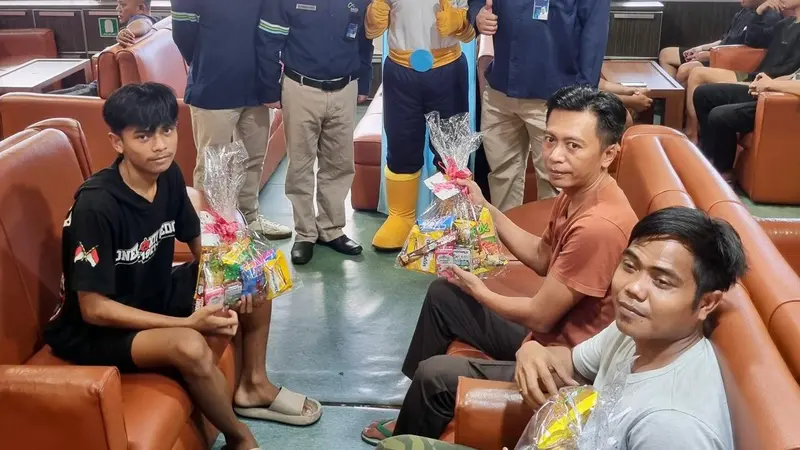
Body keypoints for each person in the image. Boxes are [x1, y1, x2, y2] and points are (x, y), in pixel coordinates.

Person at [43, 84, 322, 450]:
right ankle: (241, 439)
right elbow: (94, 309)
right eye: (143, 136)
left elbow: (198, 243)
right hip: (95, 331)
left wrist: (227, 284)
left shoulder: (168, 175)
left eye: (167, 131)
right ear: (117, 142)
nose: (160, 145)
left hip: (152, 294)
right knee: (188, 344)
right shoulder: (96, 208)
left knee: (253, 276)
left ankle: (254, 385)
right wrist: (188, 322)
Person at [361, 85, 638, 444]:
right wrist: (484, 208)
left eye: (573, 145)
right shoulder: (577, 192)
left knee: (435, 374)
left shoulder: (598, 226)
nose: (555, 155)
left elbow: (540, 316)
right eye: (550, 140)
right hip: (550, 335)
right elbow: (541, 257)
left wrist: (478, 288)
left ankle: (411, 431)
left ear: (608, 154)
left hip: (567, 363)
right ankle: (414, 414)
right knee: (444, 294)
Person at [372, 206, 747, 450]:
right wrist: (532, 349)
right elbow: (571, 362)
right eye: (630, 266)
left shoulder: (671, 427)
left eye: (662, 281)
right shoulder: (633, 332)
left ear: (707, 303)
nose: (634, 288)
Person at [258, 0, 374, 264]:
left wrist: (364, 80)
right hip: (301, 88)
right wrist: (269, 88)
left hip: (345, 88)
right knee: (300, 164)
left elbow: (365, 41)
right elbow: (269, 40)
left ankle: (331, 230)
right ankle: (305, 234)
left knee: (339, 164)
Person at [469, 0, 610, 211]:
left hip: (553, 99)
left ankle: (551, 241)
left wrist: (581, 99)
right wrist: (477, 15)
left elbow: (594, 33)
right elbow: (476, 3)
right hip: (500, 90)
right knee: (501, 174)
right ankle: (506, 239)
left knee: (555, 179)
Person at [171, 0, 293, 241]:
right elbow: (183, 34)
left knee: (254, 157)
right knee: (211, 163)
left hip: (257, 87)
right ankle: (212, 229)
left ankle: (250, 218)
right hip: (213, 85)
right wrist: (208, 57)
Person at [366, 0, 476, 251]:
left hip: (447, 68)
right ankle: (401, 216)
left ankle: (448, 218)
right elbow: (370, 29)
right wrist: (373, 17)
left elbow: (471, 31)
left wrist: (460, 23)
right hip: (400, 70)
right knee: (401, 144)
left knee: (451, 150)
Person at [683, 0, 799, 141]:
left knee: (717, 110)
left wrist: (771, 83)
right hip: (758, 78)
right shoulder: (785, 24)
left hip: (773, 89)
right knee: (702, 93)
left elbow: (791, 71)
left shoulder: (778, 20)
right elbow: (753, 39)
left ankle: (709, 154)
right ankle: (705, 152)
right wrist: (758, 13)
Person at [694, 68, 800, 179]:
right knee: (703, 94)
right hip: (778, 92)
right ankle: (708, 159)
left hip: (784, 107)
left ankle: (724, 173)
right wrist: (763, 84)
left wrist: (770, 85)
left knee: (720, 115)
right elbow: (794, 77)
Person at [658, 0, 782, 84]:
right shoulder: (745, 11)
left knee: (685, 70)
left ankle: (678, 113)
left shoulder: (769, 17)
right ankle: (670, 103)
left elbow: (750, 48)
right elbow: (726, 39)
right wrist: (701, 48)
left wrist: (710, 55)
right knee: (666, 54)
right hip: (717, 53)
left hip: (728, 61)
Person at [50, 0, 156, 97]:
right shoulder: (156, 22)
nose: (117, 9)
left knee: (44, 99)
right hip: (96, 85)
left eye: (123, 5)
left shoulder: (141, 20)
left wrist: (127, 31)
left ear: (141, 8)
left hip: (96, 91)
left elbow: (143, 24)